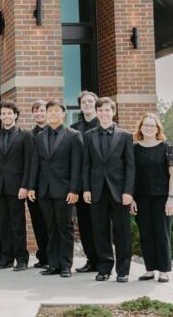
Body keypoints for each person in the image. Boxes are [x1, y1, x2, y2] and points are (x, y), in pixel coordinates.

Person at [82, 97, 135, 283]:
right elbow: (86, 164)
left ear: (114, 112)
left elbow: (130, 166)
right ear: (97, 113)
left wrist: (128, 191)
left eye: (107, 110)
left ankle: (123, 270)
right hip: (96, 190)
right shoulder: (88, 135)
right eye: (101, 110)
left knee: (122, 232)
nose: (104, 113)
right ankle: (104, 268)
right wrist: (86, 188)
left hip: (120, 192)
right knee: (100, 230)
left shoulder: (125, 135)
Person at [29, 100, 83, 278]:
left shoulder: (73, 135)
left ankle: (66, 265)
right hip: (44, 190)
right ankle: (53, 264)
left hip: (65, 190)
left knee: (64, 227)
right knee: (49, 228)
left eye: (55, 111)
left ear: (63, 114)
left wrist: (74, 190)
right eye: (49, 111)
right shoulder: (39, 136)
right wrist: (31, 187)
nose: (52, 114)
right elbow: (35, 163)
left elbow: (77, 166)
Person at [130, 113, 173, 283]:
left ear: (158, 128)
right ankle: (149, 269)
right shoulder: (134, 149)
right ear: (140, 128)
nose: (149, 128)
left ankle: (164, 270)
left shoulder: (167, 148)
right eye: (146, 125)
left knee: (162, 233)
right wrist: (132, 199)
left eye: (152, 125)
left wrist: (171, 198)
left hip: (162, 198)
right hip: (141, 198)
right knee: (146, 233)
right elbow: (130, 175)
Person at [0, 100, 33, 272]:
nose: (6, 116)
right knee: (2, 224)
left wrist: (25, 186)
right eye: (3, 113)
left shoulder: (25, 135)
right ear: (0, 116)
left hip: (17, 188)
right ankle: (6, 257)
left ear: (15, 115)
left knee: (17, 224)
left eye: (9, 113)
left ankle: (21, 258)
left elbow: (29, 163)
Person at [70, 90, 99, 274]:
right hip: (81, 185)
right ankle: (91, 260)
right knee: (85, 225)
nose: (87, 104)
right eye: (84, 102)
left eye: (90, 101)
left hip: (99, 184)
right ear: (80, 106)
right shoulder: (74, 128)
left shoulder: (104, 125)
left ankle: (104, 261)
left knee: (101, 224)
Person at [28, 100, 49, 269]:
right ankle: (43, 256)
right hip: (34, 187)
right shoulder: (29, 135)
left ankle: (53, 256)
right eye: (36, 111)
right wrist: (29, 187)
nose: (39, 114)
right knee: (38, 222)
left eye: (42, 110)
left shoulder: (55, 132)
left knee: (51, 223)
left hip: (52, 185)